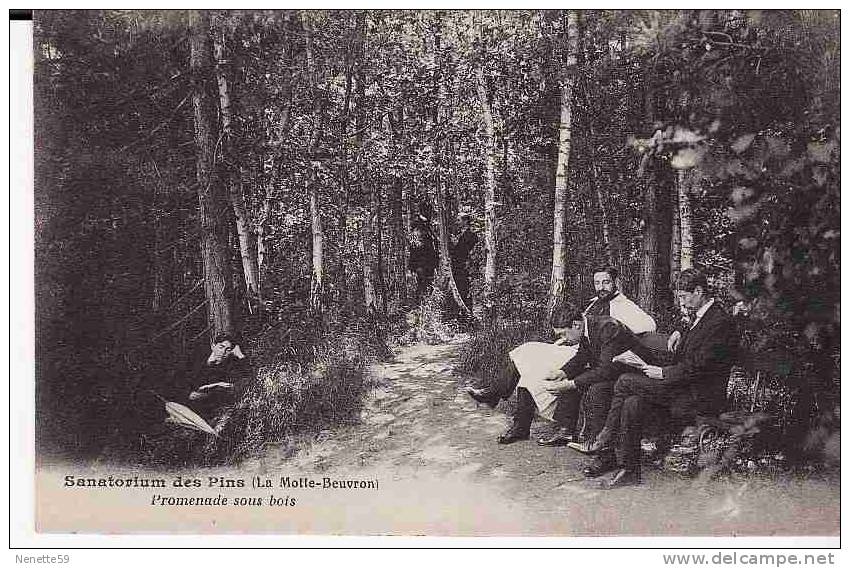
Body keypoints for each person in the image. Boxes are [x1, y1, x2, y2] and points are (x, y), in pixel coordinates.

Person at [585, 268, 737, 489]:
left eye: (684, 297)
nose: (682, 302)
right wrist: (678, 330)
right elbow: (693, 338)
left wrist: (663, 373)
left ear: (698, 291)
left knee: (626, 381)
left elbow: (702, 366)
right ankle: (629, 470)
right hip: (684, 387)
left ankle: (606, 437)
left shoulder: (719, 322)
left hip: (700, 396)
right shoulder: (702, 315)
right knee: (632, 402)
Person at [468, 304, 658, 446]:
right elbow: (582, 356)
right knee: (556, 376)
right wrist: (562, 372)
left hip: (636, 372)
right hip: (615, 369)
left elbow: (606, 370)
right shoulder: (587, 327)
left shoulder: (608, 328)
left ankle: (594, 443)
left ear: (576, 324)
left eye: (565, 335)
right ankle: (563, 431)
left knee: (589, 385)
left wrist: (571, 383)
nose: (564, 340)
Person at [185, 332, 252, 422]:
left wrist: (240, 355)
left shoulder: (228, 365)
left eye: (228, 350)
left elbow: (250, 376)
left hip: (207, 407)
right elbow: (182, 383)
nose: (223, 352)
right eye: (221, 347)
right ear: (213, 346)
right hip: (185, 403)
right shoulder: (196, 359)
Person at [583, 266, 656, 335]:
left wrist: (621, 330)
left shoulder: (623, 305)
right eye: (597, 283)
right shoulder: (592, 303)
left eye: (606, 282)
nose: (601, 287)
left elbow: (650, 326)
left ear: (615, 282)